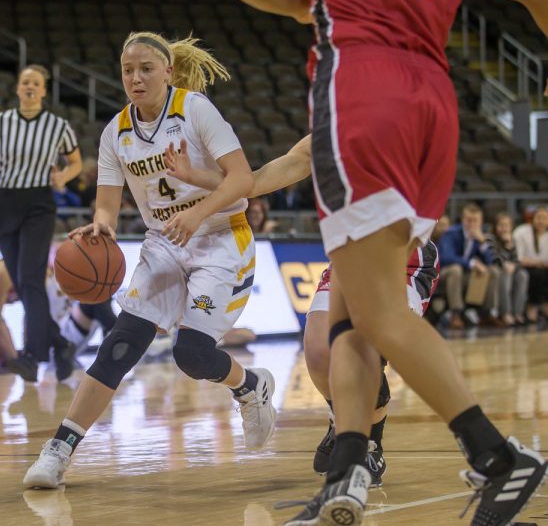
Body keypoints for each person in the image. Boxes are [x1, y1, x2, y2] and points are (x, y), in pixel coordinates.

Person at [233, 0, 548, 524]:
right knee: (350, 317)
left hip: (364, 97)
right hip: (434, 109)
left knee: (377, 313)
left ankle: (498, 456)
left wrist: (300, 6)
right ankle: (348, 464)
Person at [23, 32, 276, 489]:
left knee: (192, 354)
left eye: (145, 69)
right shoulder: (115, 131)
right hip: (164, 243)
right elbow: (108, 202)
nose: (135, 78)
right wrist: (101, 225)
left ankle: (250, 386)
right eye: (127, 71)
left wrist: (198, 211)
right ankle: (59, 449)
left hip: (220, 238)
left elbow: (243, 179)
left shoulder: (195, 109)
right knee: (120, 345)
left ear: (168, 72)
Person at [165, 131, 439, 487]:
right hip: (348, 258)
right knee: (319, 351)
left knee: (360, 348)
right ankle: (340, 418)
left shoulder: (404, 131)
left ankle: (370, 444)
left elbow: (425, 208)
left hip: (402, 259)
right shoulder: (331, 132)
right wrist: (196, 177)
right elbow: (255, 181)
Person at [0, 65, 82, 383]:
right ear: (18, 88)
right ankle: (60, 344)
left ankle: (32, 356)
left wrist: (64, 176)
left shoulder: (57, 125)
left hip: (39, 204)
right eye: (25, 82)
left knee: (31, 280)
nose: (30, 87)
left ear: (44, 91)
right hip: (4, 202)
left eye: (36, 83)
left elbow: (76, 161)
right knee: (21, 283)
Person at [438, 204, 500, 328]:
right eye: (468, 220)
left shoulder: (479, 236)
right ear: (462, 220)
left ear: (481, 222)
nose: (471, 223)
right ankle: (455, 314)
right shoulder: (451, 233)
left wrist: (483, 242)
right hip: (444, 274)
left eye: (475, 220)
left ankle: (486, 313)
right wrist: (472, 264)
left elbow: (490, 262)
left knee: (493, 271)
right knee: (456, 269)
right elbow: (446, 257)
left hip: (464, 276)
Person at [487, 212, 529, 326]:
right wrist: (506, 247)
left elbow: (517, 261)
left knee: (523, 275)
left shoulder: (513, 240)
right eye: (501, 225)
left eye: (507, 225)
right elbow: (495, 259)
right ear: (495, 227)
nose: (504, 229)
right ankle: (506, 313)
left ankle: (517, 312)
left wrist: (513, 264)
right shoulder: (490, 239)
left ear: (511, 227)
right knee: (505, 274)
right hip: (497, 272)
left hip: (512, 271)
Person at [514, 206, 548, 323]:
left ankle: (544, 304)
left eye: (544, 218)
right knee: (538, 274)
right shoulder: (522, 232)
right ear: (533, 218)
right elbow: (519, 258)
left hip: (543, 268)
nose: (541, 221)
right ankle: (532, 305)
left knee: (543, 273)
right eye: (539, 217)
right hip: (524, 268)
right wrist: (538, 262)